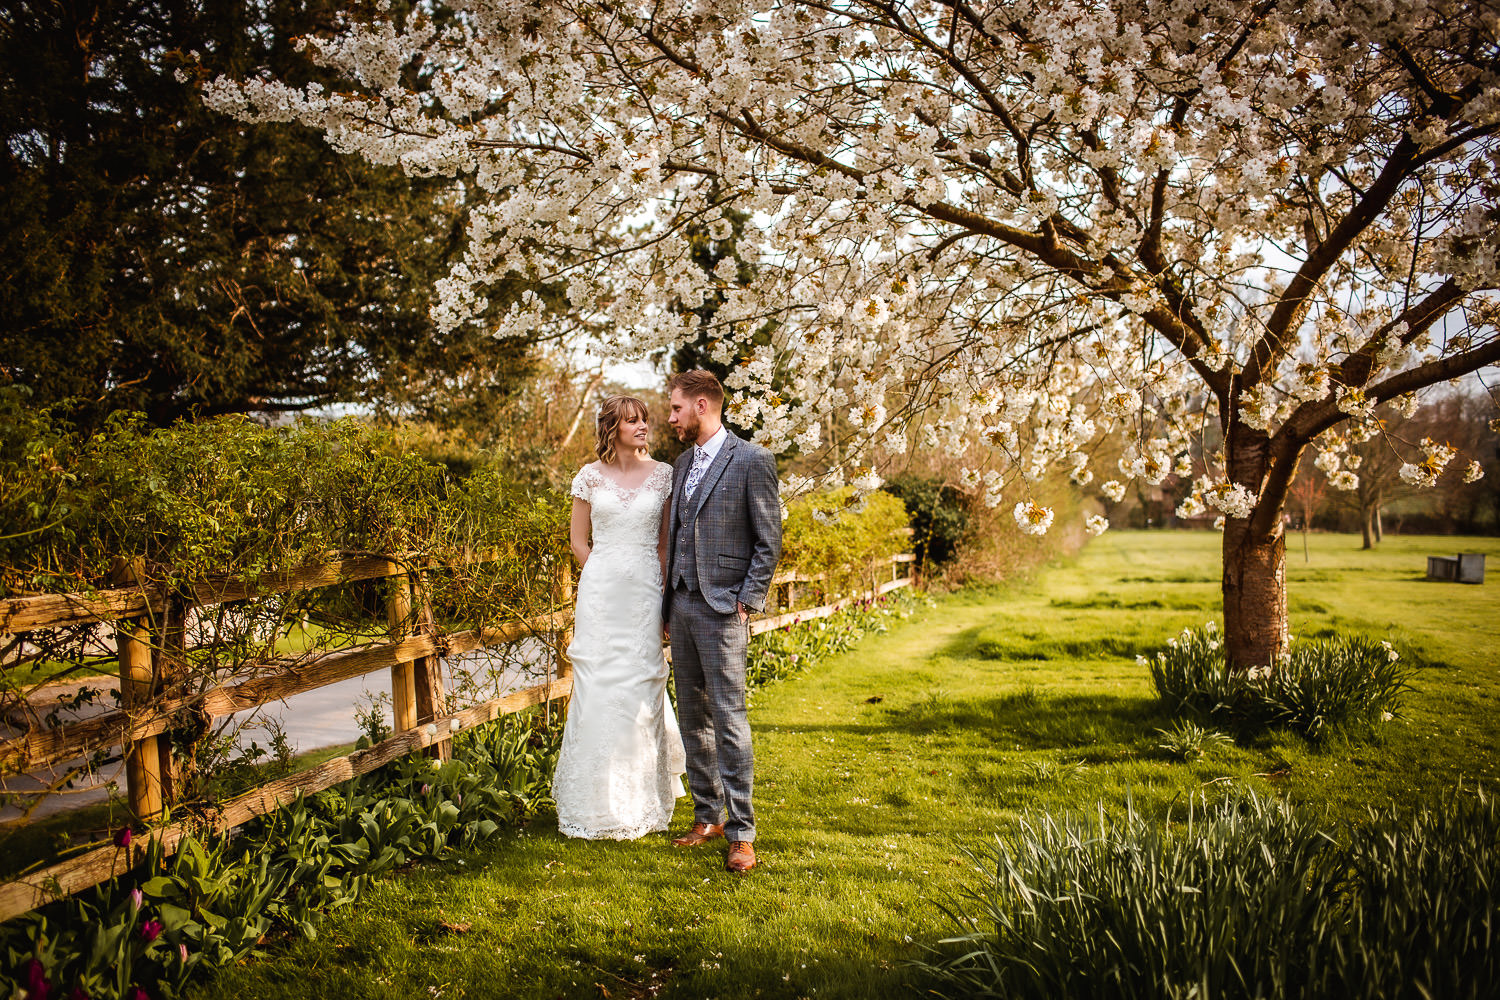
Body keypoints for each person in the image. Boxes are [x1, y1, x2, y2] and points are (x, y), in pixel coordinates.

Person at [663, 370, 782, 873]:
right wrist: (668, 604)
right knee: (693, 716)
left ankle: (742, 833)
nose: (669, 418)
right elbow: (675, 535)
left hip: (723, 607)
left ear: (703, 404)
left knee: (729, 719)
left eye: (675, 408)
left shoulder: (752, 460)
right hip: (683, 606)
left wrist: (746, 600)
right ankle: (707, 815)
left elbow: (768, 540)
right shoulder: (681, 463)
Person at [552, 395, 687, 840]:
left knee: (640, 684)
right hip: (601, 596)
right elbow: (578, 542)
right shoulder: (588, 477)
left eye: (645, 419)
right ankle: (590, 802)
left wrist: (663, 594)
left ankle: (640, 800)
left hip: (646, 593)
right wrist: (602, 575)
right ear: (613, 429)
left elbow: (666, 545)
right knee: (598, 685)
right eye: (633, 421)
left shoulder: (665, 476)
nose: (644, 426)